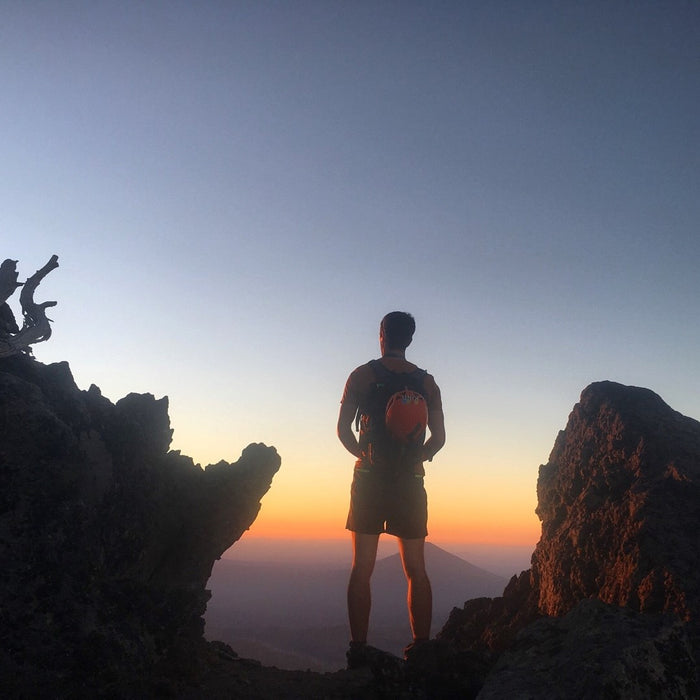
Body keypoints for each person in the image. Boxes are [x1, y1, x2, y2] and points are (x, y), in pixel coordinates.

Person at [337, 311, 446, 668]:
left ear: (382, 334)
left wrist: (364, 455)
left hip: (369, 480)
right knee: (416, 569)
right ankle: (422, 647)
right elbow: (439, 439)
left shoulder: (361, 375)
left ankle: (359, 648)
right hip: (410, 482)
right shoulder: (428, 384)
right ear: (410, 340)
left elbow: (343, 431)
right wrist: (418, 458)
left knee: (361, 567)